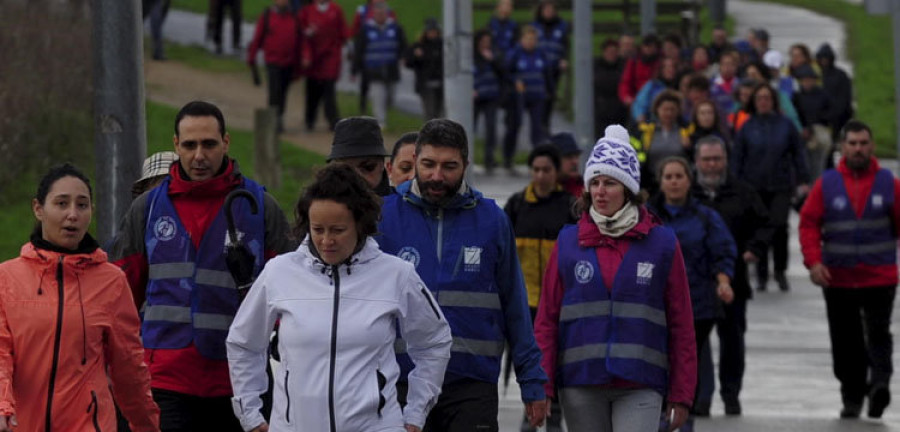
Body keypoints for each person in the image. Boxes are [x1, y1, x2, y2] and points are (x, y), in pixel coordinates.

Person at [108, 101, 295, 432]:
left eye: (208, 144)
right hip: (165, 380)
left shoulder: (259, 207)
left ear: (225, 142)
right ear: (176, 145)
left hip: (239, 382)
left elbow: (293, 298)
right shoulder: (146, 210)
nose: (199, 155)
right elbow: (118, 297)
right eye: (190, 145)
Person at [226, 164, 452, 432]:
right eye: (317, 229)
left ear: (360, 224)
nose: (326, 240)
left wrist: (416, 413)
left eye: (337, 230)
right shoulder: (279, 272)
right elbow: (243, 343)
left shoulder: (397, 275)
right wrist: (249, 414)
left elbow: (434, 342)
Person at [376, 119, 549, 431]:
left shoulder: (492, 220)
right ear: (415, 160)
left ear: (466, 165)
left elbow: (515, 307)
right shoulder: (384, 218)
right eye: (428, 164)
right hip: (402, 382)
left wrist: (531, 379)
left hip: (472, 384)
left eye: (449, 166)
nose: (437, 176)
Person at [534, 125, 696, 432]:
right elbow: (547, 320)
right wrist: (540, 385)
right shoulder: (569, 242)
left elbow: (681, 323)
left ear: (628, 189)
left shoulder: (661, 243)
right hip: (581, 381)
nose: (599, 191)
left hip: (641, 380)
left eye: (609, 182)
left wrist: (682, 393)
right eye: (594, 182)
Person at [0, 164, 160, 432]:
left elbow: (129, 367)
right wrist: (3, 403)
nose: (72, 215)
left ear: (92, 212)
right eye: (61, 203)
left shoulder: (112, 281)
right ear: (38, 209)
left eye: (82, 205)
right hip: (21, 423)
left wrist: (147, 426)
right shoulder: (6, 277)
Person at [799, 120, 898, 420]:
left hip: (879, 277)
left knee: (879, 333)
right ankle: (852, 396)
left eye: (863, 143)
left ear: (871, 146)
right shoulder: (827, 183)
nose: (858, 149)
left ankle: (879, 385)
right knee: (846, 340)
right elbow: (808, 223)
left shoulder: (888, 183)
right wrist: (814, 262)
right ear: (843, 147)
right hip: (838, 278)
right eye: (852, 143)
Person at [648, 157, 736, 430]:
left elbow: (723, 252)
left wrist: (723, 282)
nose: (674, 181)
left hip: (697, 305)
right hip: (655, 305)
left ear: (689, 180)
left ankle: (686, 418)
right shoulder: (647, 217)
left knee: (687, 364)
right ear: (661, 182)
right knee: (658, 362)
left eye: (679, 176)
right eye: (668, 177)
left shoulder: (706, 217)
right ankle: (661, 417)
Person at [691, 135, 771, 416]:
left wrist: (754, 249)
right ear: (697, 161)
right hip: (695, 284)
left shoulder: (743, 192)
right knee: (696, 342)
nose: (712, 165)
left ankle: (731, 394)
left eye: (717, 159)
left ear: (725, 160)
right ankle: (700, 397)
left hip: (733, 280)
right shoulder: (686, 195)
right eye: (706, 160)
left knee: (732, 341)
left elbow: (764, 224)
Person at [504, 144, 575, 432]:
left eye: (546, 169)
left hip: (560, 302)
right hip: (525, 303)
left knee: (557, 364)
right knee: (528, 363)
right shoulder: (517, 205)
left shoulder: (570, 206)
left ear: (556, 172)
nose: (541, 175)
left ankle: (554, 418)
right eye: (536, 169)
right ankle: (529, 416)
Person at [732, 83, 810, 292]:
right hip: (754, 186)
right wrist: (736, 185)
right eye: (760, 98)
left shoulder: (785, 125)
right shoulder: (747, 127)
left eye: (767, 98)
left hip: (781, 185)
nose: (764, 102)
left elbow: (798, 153)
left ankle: (780, 271)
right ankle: (762, 273)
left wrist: (803, 178)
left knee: (779, 227)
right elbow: (738, 158)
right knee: (758, 228)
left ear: (773, 101)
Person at [246, 0, 302, 134]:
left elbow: (300, 40)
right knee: (274, 92)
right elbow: (258, 38)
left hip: (288, 62)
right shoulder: (267, 16)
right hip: (273, 62)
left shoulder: (294, 16)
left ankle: (279, 117)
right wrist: (252, 58)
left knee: (283, 92)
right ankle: (273, 121)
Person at [352, 2, 407, 129]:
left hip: (391, 69)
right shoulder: (366, 29)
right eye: (377, 13)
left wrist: (404, 57)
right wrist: (355, 69)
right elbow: (359, 50)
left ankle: (385, 114)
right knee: (378, 97)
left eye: (382, 13)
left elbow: (403, 45)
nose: (380, 16)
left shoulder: (395, 27)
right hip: (374, 70)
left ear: (386, 13)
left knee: (391, 98)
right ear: (373, 14)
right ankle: (381, 122)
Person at [299, 0, 347, 132]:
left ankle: (333, 120)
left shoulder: (336, 10)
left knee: (329, 90)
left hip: (330, 57)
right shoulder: (307, 11)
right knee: (312, 91)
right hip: (313, 60)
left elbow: (343, 33)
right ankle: (310, 120)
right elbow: (301, 34)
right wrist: (306, 55)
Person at [504, 25, 551, 157]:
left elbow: (547, 74)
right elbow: (506, 73)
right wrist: (515, 81)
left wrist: (549, 91)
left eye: (533, 39)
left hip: (537, 96)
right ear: (521, 40)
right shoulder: (514, 54)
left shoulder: (541, 54)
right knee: (514, 126)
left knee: (537, 129)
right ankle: (508, 157)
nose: (531, 42)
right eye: (528, 39)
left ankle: (539, 158)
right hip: (519, 97)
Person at [635, 90, 690, 195]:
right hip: (651, 185)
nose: (669, 113)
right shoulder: (646, 131)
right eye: (665, 109)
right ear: (657, 110)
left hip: (678, 185)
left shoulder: (686, 131)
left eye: (672, 109)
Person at [348, 0, 397, 113]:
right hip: (367, 55)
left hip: (386, 56)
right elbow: (355, 30)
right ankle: (364, 107)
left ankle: (385, 110)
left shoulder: (389, 11)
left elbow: (395, 31)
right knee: (366, 84)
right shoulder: (362, 11)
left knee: (388, 87)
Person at [328, 116, 393, 196]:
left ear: (382, 164)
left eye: (368, 167)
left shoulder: (402, 206)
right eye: (346, 170)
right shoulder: (316, 205)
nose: (358, 177)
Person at [532, 0, 569, 129]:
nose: (549, 12)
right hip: (538, 69)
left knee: (550, 97)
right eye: (546, 10)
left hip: (554, 68)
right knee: (540, 98)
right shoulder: (535, 26)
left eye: (551, 10)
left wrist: (564, 59)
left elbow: (565, 45)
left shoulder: (561, 26)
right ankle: (539, 126)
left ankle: (545, 126)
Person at [792, 63, 832, 182]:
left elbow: (830, 113)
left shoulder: (823, 95)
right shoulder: (797, 96)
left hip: (819, 131)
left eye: (810, 80)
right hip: (802, 132)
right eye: (804, 80)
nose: (807, 83)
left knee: (819, 163)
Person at [816, 43, 854, 167]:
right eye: (822, 59)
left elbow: (845, 100)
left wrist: (835, 116)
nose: (824, 61)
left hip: (837, 120)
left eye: (826, 59)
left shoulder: (841, 76)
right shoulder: (816, 75)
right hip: (820, 120)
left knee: (832, 151)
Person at [473, 30, 505, 173]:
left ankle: (489, 158)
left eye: (488, 41)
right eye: (483, 41)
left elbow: (503, 72)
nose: (486, 44)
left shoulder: (494, 55)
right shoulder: (472, 56)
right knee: (469, 128)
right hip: (476, 97)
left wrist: (492, 60)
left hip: (491, 96)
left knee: (491, 128)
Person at [406, 18, 444, 120]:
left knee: (440, 112)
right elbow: (408, 62)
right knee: (429, 113)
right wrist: (416, 56)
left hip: (440, 84)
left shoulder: (442, 45)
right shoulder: (419, 46)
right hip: (426, 84)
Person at [593, 38, 628, 135]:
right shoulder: (595, 65)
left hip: (620, 113)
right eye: (609, 52)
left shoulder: (624, 65)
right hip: (600, 112)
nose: (611, 55)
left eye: (614, 52)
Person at [631, 57, 679, 124]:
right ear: (661, 69)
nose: (670, 70)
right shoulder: (652, 85)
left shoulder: (680, 85)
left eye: (673, 67)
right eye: (667, 67)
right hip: (652, 123)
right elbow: (639, 104)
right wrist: (640, 118)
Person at [618, 34, 661, 110]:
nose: (650, 49)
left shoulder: (661, 63)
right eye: (647, 46)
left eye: (653, 46)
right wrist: (626, 97)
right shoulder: (634, 62)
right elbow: (626, 82)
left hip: (657, 102)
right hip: (638, 103)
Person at [551, 132, 585, 198]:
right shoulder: (544, 191)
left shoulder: (586, 189)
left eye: (577, 156)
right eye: (569, 157)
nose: (575, 162)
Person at [710, 51, 740, 120]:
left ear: (735, 67)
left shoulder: (740, 84)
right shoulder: (711, 84)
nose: (728, 67)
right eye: (725, 64)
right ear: (720, 66)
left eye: (731, 64)